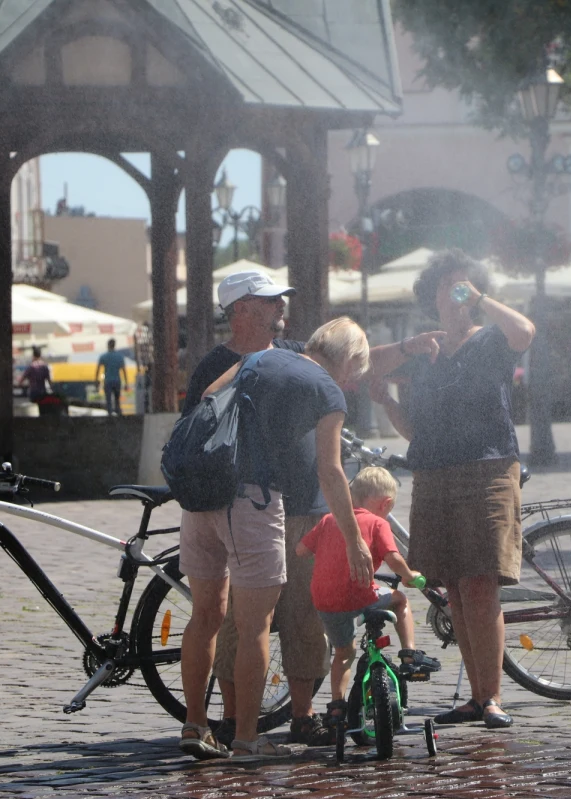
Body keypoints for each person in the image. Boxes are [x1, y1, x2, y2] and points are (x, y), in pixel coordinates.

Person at [180, 270, 443, 749]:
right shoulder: (245, 366)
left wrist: (406, 347)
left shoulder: (278, 355)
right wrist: (350, 536)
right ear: (241, 309)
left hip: (294, 507)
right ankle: (239, 728)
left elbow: (348, 361)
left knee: (302, 617)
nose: (282, 307)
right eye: (270, 301)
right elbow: (330, 463)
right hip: (259, 505)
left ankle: (292, 718)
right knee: (245, 620)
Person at [178, 316, 377, 760]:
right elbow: (330, 470)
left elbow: (208, 399)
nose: (352, 382)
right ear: (346, 361)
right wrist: (353, 538)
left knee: (206, 617)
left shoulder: (260, 357)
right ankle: (248, 739)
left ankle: (195, 725)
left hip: (201, 499)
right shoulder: (327, 389)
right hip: (250, 502)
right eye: (354, 373)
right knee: (255, 627)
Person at [369, 249, 535, 730]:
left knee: (481, 585)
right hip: (435, 473)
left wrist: (483, 300)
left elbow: (525, 332)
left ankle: (493, 697)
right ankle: (477, 696)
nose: (456, 294)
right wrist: (387, 398)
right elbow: (409, 425)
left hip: (487, 468)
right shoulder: (424, 351)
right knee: (456, 592)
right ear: (432, 295)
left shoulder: (491, 341)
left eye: (465, 287)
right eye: (448, 287)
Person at [295, 466, 440, 730]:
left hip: (325, 601)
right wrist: (410, 576)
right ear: (386, 504)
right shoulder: (378, 523)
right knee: (399, 600)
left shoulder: (329, 520)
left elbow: (301, 550)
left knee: (343, 653)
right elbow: (393, 558)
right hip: (360, 595)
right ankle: (409, 653)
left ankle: (337, 707)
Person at [95, 338, 128, 416]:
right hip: (117, 380)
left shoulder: (103, 356)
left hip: (108, 381)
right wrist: (126, 383)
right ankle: (118, 413)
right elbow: (124, 370)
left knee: (108, 400)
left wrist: (96, 381)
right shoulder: (120, 357)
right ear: (114, 345)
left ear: (108, 345)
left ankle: (110, 415)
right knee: (117, 399)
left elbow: (98, 369)